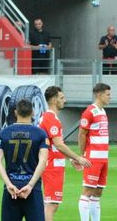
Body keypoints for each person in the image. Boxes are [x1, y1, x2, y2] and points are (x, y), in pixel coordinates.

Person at [0, 98, 50, 221]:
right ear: (33, 113)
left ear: (15, 112)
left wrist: (8, 184)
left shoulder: (3, 134)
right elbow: (43, 161)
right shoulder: (41, 134)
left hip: (11, 188)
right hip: (32, 188)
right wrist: (29, 185)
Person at [40, 86, 91, 221]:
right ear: (53, 100)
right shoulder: (50, 118)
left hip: (52, 164)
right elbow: (58, 144)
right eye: (62, 98)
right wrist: (78, 158)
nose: (65, 100)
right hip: (52, 165)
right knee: (52, 204)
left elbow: (56, 145)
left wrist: (69, 159)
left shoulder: (50, 118)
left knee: (50, 204)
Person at [78, 82, 112, 221]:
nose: (110, 97)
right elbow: (82, 134)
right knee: (87, 191)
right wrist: (83, 155)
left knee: (98, 192)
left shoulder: (103, 111)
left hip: (104, 157)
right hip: (93, 157)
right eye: (108, 94)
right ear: (99, 95)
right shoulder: (89, 111)